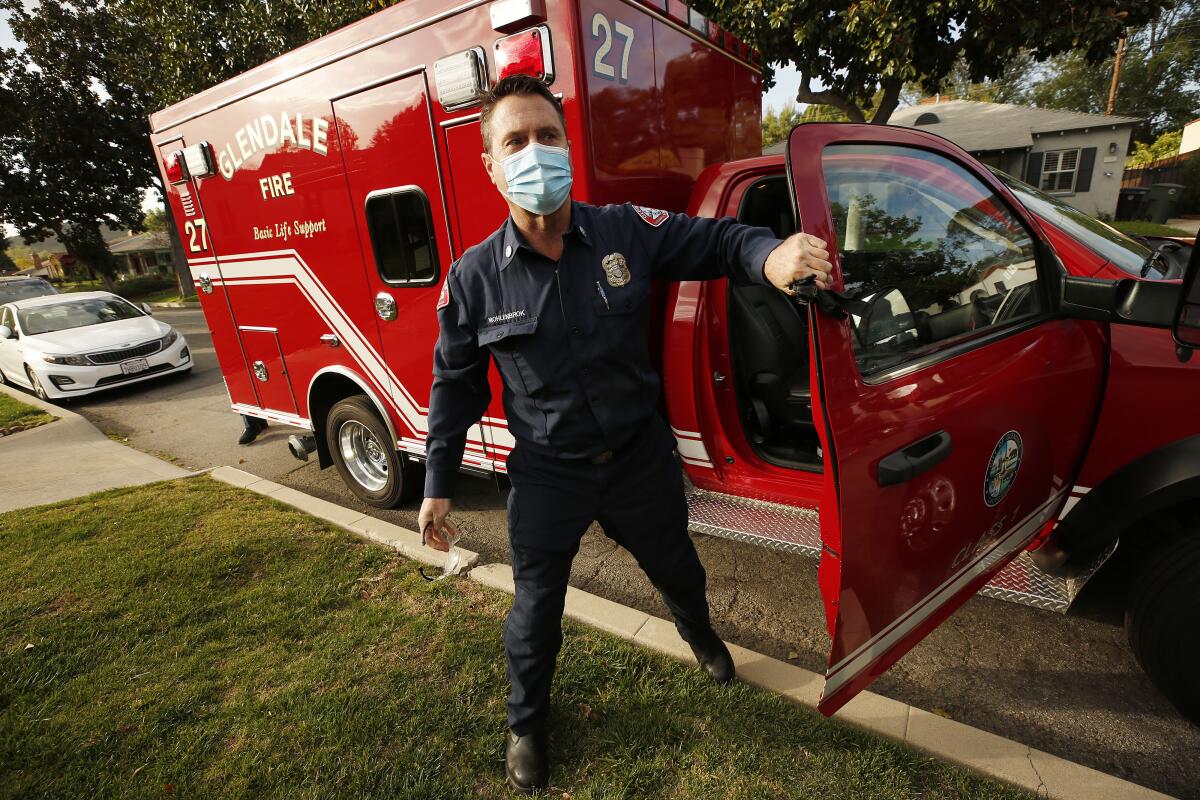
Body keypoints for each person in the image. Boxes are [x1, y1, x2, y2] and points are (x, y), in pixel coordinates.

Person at [417, 75, 832, 794]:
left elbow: (715, 240)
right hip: (549, 471)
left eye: (547, 136)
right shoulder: (474, 278)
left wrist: (768, 256)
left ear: (567, 148)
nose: (534, 152)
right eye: (514, 141)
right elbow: (453, 385)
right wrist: (438, 485)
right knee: (535, 610)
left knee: (679, 571)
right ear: (490, 163)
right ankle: (526, 723)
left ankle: (701, 637)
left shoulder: (621, 231)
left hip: (639, 458)